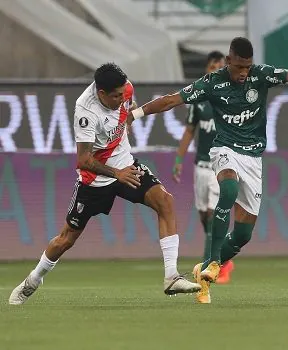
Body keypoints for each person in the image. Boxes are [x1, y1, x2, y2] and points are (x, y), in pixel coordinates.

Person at [128, 37, 288, 303]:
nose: (244, 73)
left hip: (253, 158)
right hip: (224, 149)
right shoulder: (212, 83)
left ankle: (204, 268)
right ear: (229, 61)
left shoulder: (260, 75)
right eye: (239, 67)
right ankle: (214, 263)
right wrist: (135, 114)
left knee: (243, 235)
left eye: (247, 67)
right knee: (228, 189)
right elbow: (173, 100)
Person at [9, 63, 201, 305]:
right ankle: (34, 280)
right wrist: (115, 173)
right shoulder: (86, 111)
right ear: (101, 94)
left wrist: (132, 116)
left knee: (165, 201)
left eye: (124, 93)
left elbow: (130, 109)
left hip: (126, 164)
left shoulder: (124, 89)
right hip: (95, 180)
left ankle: (171, 277)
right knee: (66, 239)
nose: (123, 97)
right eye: (116, 96)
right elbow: (83, 160)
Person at [173, 51, 235, 286]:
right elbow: (190, 130)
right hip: (200, 166)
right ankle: (222, 255)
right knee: (203, 216)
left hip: (220, 166)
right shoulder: (198, 100)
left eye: (220, 67)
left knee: (212, 215)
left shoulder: (230, 98)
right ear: (207, 70)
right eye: (213, 67)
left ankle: (212, 264)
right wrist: (178, 160)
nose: (216, 70)